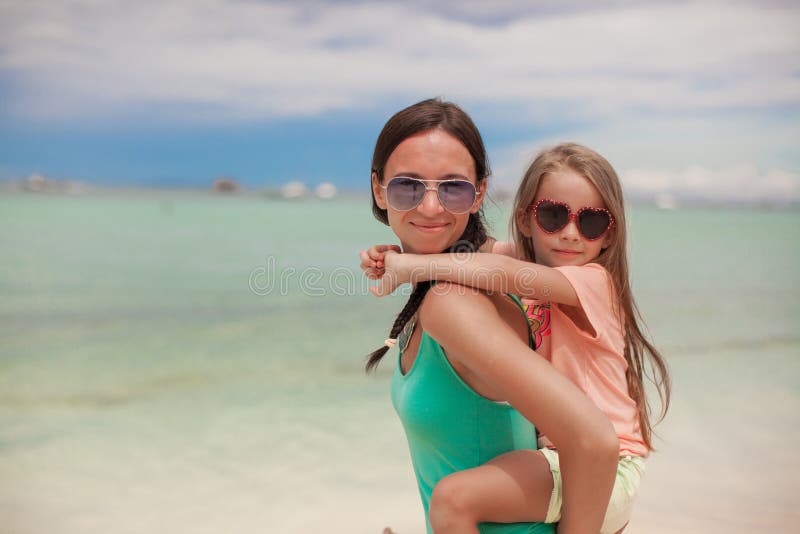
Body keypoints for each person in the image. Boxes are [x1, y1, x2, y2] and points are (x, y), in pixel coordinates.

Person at [362, 143, 671, 533]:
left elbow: (502, 273)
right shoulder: (534, 262)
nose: (571, 234)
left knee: (453, 501)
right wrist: (394, 251)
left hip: (604, 470)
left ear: (609, 236)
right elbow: (473, 254)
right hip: (568, 460)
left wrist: (410, 266)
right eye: (553, 215)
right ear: (526, 220)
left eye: (591, 222)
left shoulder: (595, 281)